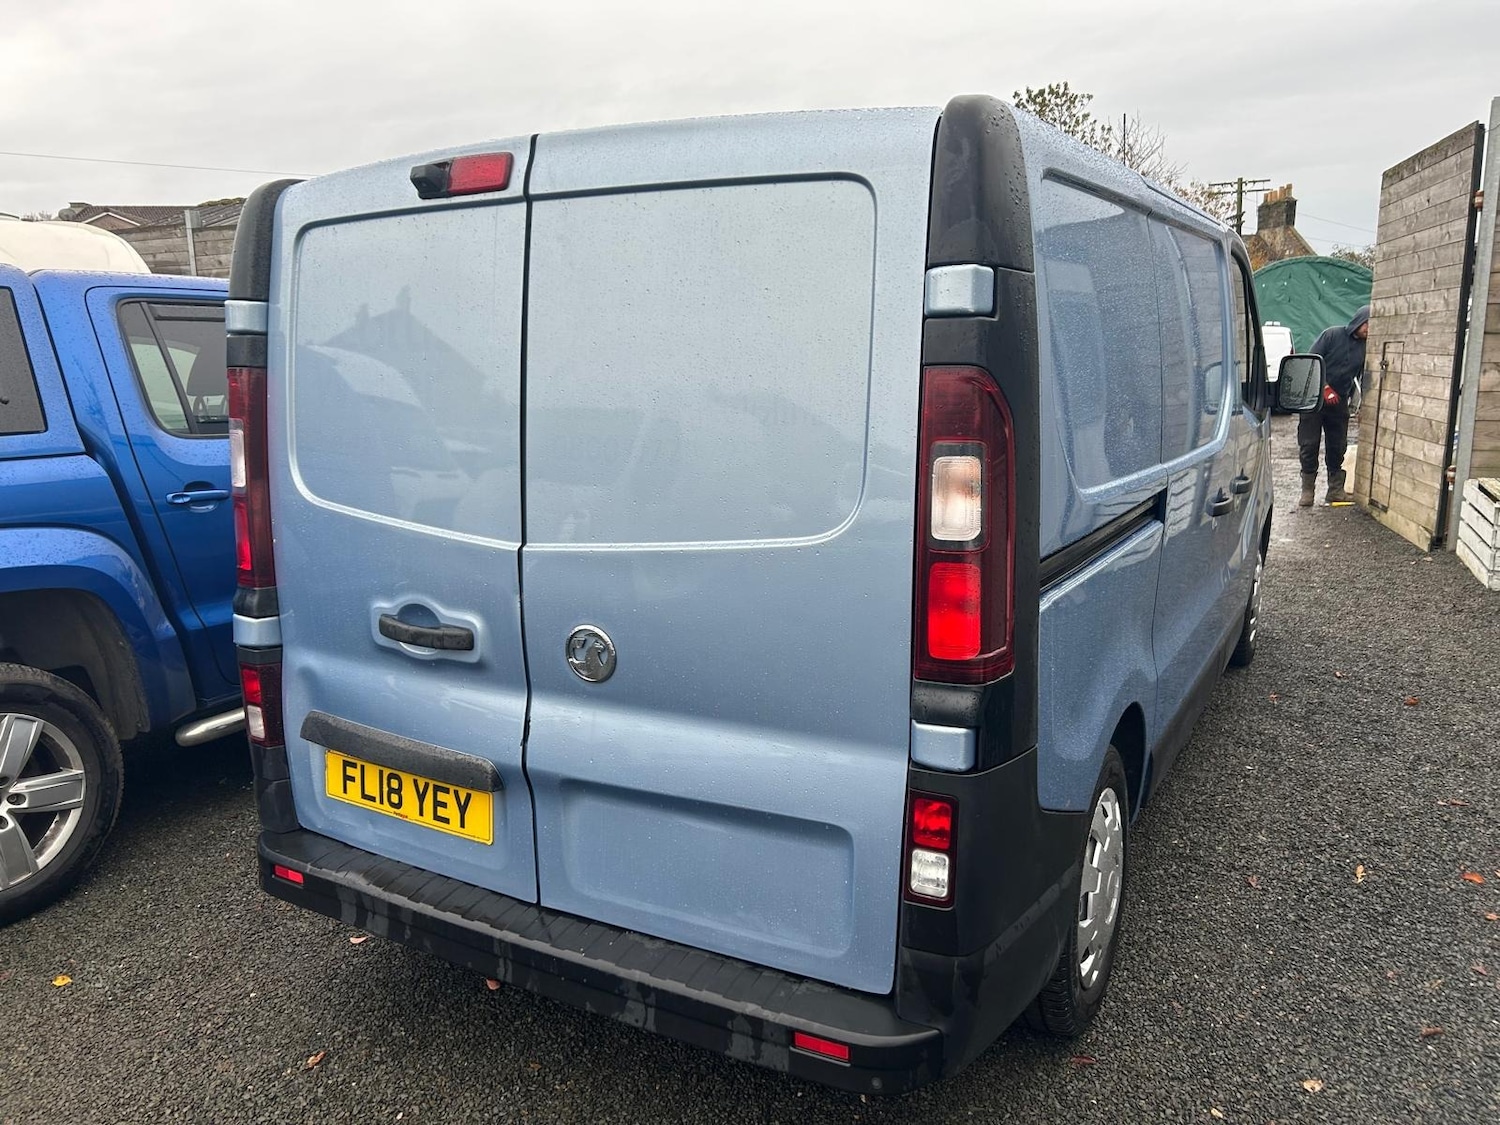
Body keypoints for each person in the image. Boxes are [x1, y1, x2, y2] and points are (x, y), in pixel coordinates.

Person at [1299, 304, 1370, 507]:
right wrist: (1324, 387)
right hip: (1314, 400)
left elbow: (1363, 378)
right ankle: (1307, 491)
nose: (1369, 329)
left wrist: (1360, 405)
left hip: (1339, 403)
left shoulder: (1366, 347)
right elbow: (1310, 362)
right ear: (1359, 320)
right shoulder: (1331, 335)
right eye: (1367, 324)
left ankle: (1335, 490)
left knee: (1337, 446)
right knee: (1309, 444)